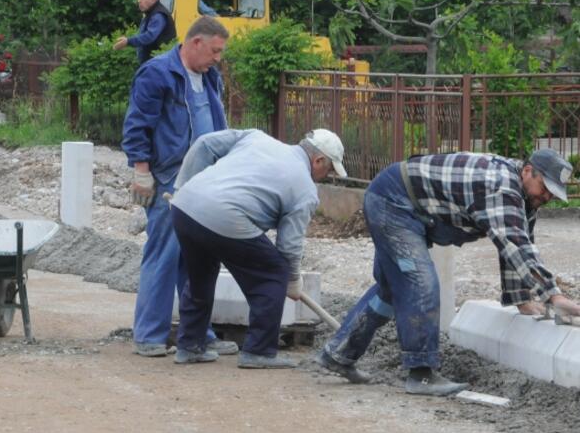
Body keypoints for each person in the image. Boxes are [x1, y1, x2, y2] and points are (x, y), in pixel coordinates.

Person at [319, 148, 580, 396]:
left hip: (404, 205)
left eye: (552, 194)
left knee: (391, 289)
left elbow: (516, 244)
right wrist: (553, 296)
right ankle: (421, 374)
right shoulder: (500, 186)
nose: (546, 197)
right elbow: (516, 245)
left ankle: (339, 353)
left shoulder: (525, 199)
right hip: (394, 201)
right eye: (544, 187)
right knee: (420, 284)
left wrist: (521, 299)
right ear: (527, 171)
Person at [169, 129, 347, 366]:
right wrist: (291, 278)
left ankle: (190, 345)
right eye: (330, 170)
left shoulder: (257, 138)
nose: (327, 176)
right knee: (273, 274)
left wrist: (183, 186)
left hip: (184, 207)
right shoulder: (305, 189)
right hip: (223, 215)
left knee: (201, 275)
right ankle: (259, 351)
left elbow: (204, 144)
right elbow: (289, 246)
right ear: (319, 160)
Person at [121, 16, 237, 357]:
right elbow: (138, 123)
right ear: (196, 42)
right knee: (164, 254)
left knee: (198, 258)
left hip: (203, 178)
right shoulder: (158, 74)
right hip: (170, 176)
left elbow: (217, 126)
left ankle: (198, 334)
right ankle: (149, 335)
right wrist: (141, 169)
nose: (218, 58)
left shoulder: (209, 77)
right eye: (215, 51)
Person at [112, 0, 177, 64]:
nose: (139, 1)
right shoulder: (149, 13)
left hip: (158, 64)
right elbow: (142, 35)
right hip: (151, 63)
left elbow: (149, 36)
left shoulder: (158, 15)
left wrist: (128, 41)